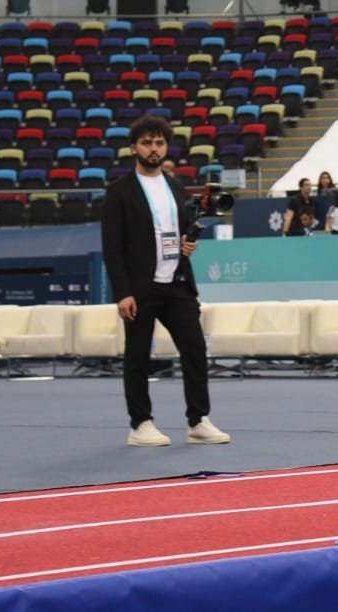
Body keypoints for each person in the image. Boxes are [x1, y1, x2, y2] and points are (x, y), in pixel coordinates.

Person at [100, 115, 229, 447]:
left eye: (159, 143)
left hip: (177, 282)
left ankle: (198, 420)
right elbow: (112, 247)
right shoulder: (119, 192)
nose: (153, 149)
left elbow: (182, 229)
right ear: (134, 148)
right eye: (147, 143)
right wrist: (122, 292)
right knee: (138, 356)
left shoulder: (175, 185)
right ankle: (140, 423)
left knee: (195, 349)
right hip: (140, 289)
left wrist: (189, 243)